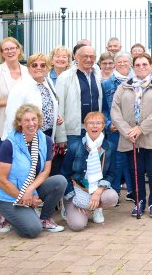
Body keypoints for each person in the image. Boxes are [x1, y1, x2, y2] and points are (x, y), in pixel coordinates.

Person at [0, 104, 67, 237]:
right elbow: (0, 180)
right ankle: (6, 216)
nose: (31, 123)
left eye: (34, 119)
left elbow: (45, 171)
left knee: (60, 181)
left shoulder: (46, 140)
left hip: (28, 191)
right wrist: (23, 197)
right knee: (33, 230)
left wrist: (29, 191)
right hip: (8, 196)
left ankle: (44, 218)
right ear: (19, 123)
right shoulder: (9, 144)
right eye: (26, 120)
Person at [111, 54, 152, 218]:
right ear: (133, 67)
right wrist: (127, 131)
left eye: (145, 64)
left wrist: (141, 129)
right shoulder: (124, 87)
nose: (141, 67)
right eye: (137, 64)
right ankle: (139, 201)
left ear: (151, 66)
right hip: (131, 138)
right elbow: (115, 111)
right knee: (134, 170)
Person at [0, 37, 30, 216]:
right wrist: (5, 102)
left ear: (19, 50)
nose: (10, 51)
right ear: (2, 53)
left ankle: (11, 196)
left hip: (19, 127)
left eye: (13, 48)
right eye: (5, 49)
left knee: (16, 164)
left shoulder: (26, 71)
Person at [54, 45, 103, 198]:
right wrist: (61, 136)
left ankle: (90, 199)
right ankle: (68, 198)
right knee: (71, 166)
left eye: (92, 56)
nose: (89, 59)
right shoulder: (66, 77)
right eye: (85, 56)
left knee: (91, 166)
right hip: (74, 130)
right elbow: (59, 106)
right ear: (76, 57)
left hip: (93, 130)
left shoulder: (97, 74)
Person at [63, 112, 118, 231]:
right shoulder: (74, 147)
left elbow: (111, 173)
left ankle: (95, 208)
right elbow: (65, 174)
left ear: (103, 126)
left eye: (98, 123)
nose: (94, 126)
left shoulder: (109, 147)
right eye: (91, 123)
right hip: (77, 189)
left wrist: (98, 192)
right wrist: (76, 200)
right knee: (78, 225)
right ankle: (70, 207)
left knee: (112, 197)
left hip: (97, 187)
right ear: (85, 126)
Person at [3, 53, 61, 142]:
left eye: (43, 65)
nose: (38, 68)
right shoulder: (20, 87)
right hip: (27, 136)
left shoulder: (48, 82)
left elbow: (49, 104)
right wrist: (14, 141)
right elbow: (11, 115)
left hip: (47, 134)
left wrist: (55, 115)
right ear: (29, 68)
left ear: (48, 68)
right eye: (34, 65)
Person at [102, 51, 132, 200]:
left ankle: (132, 192)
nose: (122, 64)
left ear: (130, 63)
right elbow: (103, 109)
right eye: (119, 62)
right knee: (115, 161)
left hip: (132, 130)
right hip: (114, 129)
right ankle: (114, 193)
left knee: (131, 161)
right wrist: (108, 124)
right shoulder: (106, 84)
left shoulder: (137, 81)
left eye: (125, 61)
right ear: (114, 64)